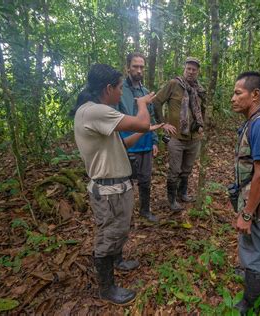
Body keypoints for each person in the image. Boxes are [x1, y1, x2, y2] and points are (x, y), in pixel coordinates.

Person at [72, 64, 161, 305]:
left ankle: (118, 261)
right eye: (120, 88)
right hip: (109, 190)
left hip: (117, 187)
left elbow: (123, 145)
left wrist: (147, 131)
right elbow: (140, 122)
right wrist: (142, 105)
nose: (122, 93)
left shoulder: (96, 112)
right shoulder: (95, 111)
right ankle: (106, 288)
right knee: (109, 235)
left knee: (119, 230)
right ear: (108, 88)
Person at [230, 71, 260, 314]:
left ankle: (250, 301)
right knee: (250, 244)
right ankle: (249, 275)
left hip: (256, 201)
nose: (233, 98)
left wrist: (247, 213)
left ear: (255, 95)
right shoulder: (254, 121)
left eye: (238, 93)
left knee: (254, 248)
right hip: (250, 196)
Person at [152, 57, 206, 211]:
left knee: (187, 169)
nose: (191, 72)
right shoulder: (174, 84)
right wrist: (163, 123)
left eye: (194, 70)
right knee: (175, 169)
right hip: (176, 137)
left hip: (194, 138)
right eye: (188, 68)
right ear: (184, 69)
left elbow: (202, 110)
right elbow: (156, 102)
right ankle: (171, 200)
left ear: (198, 72)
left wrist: (201, 125)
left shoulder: (199, 89)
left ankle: (182, 194)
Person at [118, 52, 159, 223]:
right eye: (135, 66)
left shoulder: (146, 91)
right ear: (128, 68)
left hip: (146, 143)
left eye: (142, 67)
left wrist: (155, 140)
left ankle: (144, 210)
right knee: (125, 181)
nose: (139, 70)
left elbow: (151, 117)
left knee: (145, 179)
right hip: (127, 144)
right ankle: (124, 214)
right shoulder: (120, 90)